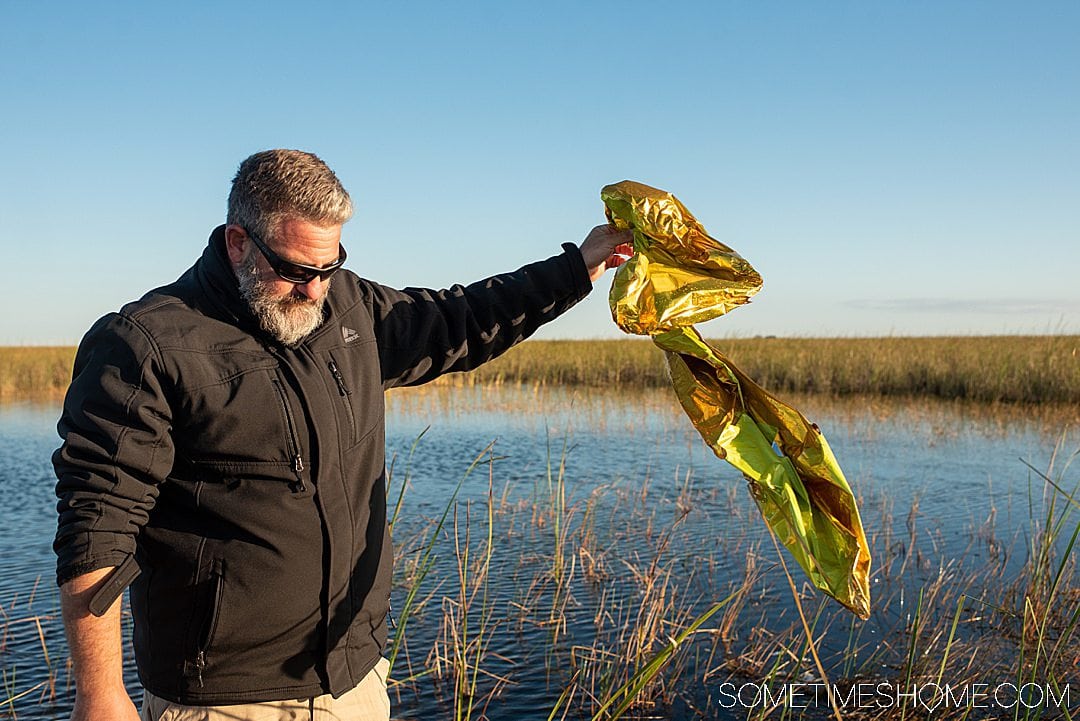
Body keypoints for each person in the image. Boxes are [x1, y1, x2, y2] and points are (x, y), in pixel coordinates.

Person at [53, 149, 633, 721]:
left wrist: (576, 267)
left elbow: (463, 317)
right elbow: (96, 527)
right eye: (294, 271)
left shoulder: (349, 307)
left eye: (328, 268)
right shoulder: (145, 345)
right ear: (238, 243)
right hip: (225, 699)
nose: (314, 291)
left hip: (353, 680)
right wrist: (100, 693)